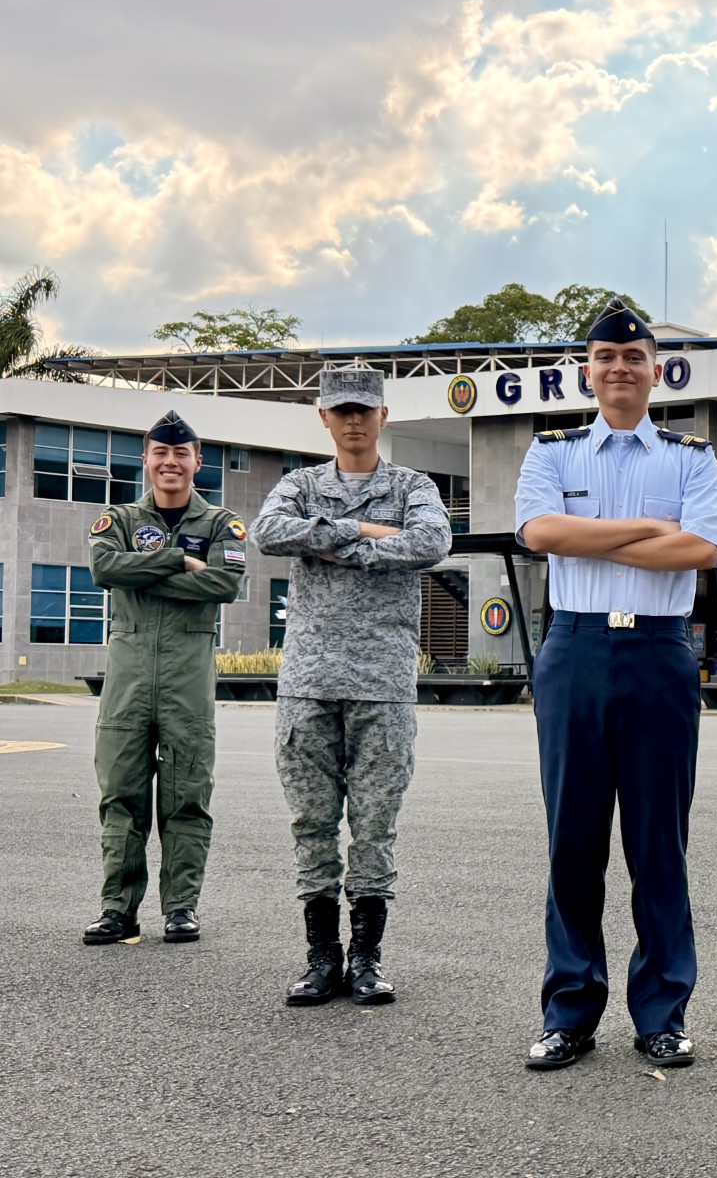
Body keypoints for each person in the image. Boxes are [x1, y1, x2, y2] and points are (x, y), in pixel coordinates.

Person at [513, 300, 717, 1073]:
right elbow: (540, 534)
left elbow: (703, 549)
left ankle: (663, 1013)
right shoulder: (554, 452)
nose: (619, 369)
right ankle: (568, 1011)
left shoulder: (690, 457)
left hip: (660, 656)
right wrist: (646, 531)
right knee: (572, 841)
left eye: (634, 358)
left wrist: (596, 538)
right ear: (588, 370)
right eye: (605, 357)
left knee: (657, 845)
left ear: (657, 370)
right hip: (574, 650)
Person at [254, 368, 450, 1008]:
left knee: (373, 827)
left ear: (383, 416)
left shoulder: (412, 486)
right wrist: (364, 531)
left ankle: (365, 959)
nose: (354, 421)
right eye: (341, 411)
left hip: (382, 686)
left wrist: (334, 540)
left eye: (363, 410)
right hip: (308, 682)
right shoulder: (300, 484)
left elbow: (432, 542)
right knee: (312, 823)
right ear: (323, 418)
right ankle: (320, 958)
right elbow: (269, 533)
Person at [82, 411, 247, 947]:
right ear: (147, 460)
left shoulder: (223, 524)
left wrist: (146, 572)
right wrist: (179, 559)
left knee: (186, 799)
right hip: (127, 685)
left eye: (181, 453)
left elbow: (224, 584)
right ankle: (117, 910)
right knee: (120, 799)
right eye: (160, 453)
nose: (170, 461)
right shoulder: (119, 518)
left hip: (186, 686)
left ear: (198, 461)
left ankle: (181, 909)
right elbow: (107, 570)